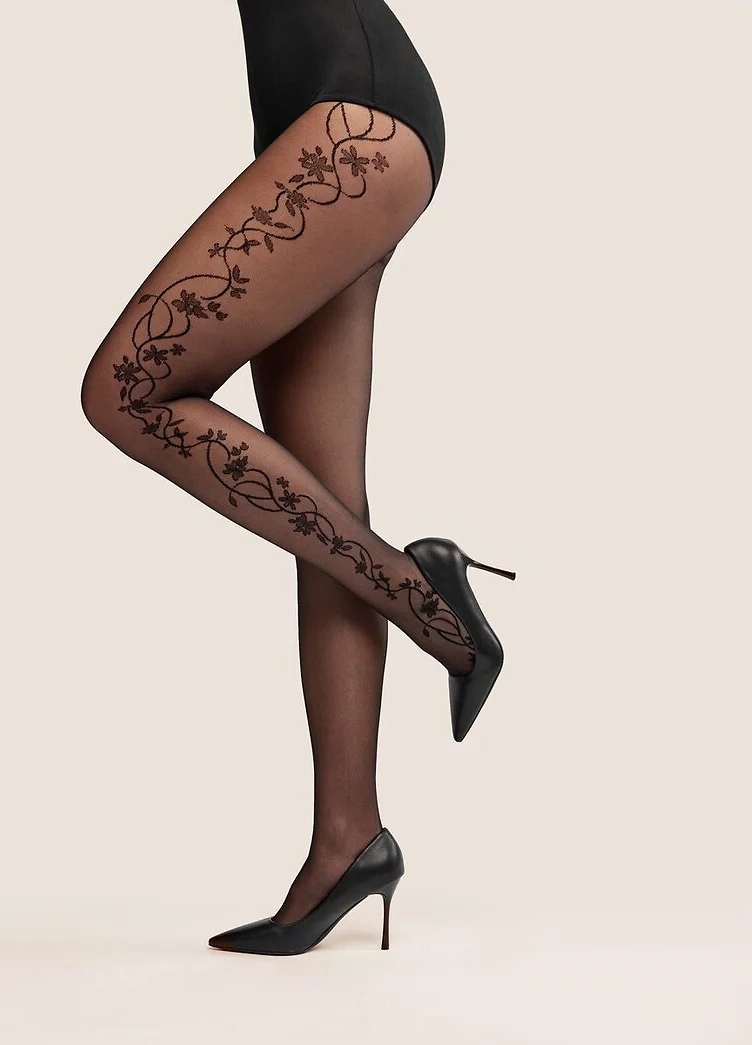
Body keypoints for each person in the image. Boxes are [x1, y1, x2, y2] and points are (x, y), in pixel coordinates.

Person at [80, 0, 516, 955]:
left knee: (127, 389)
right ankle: (348, 837)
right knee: (320, 506)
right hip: (316, 120)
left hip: (357, 120)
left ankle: (423, 594)